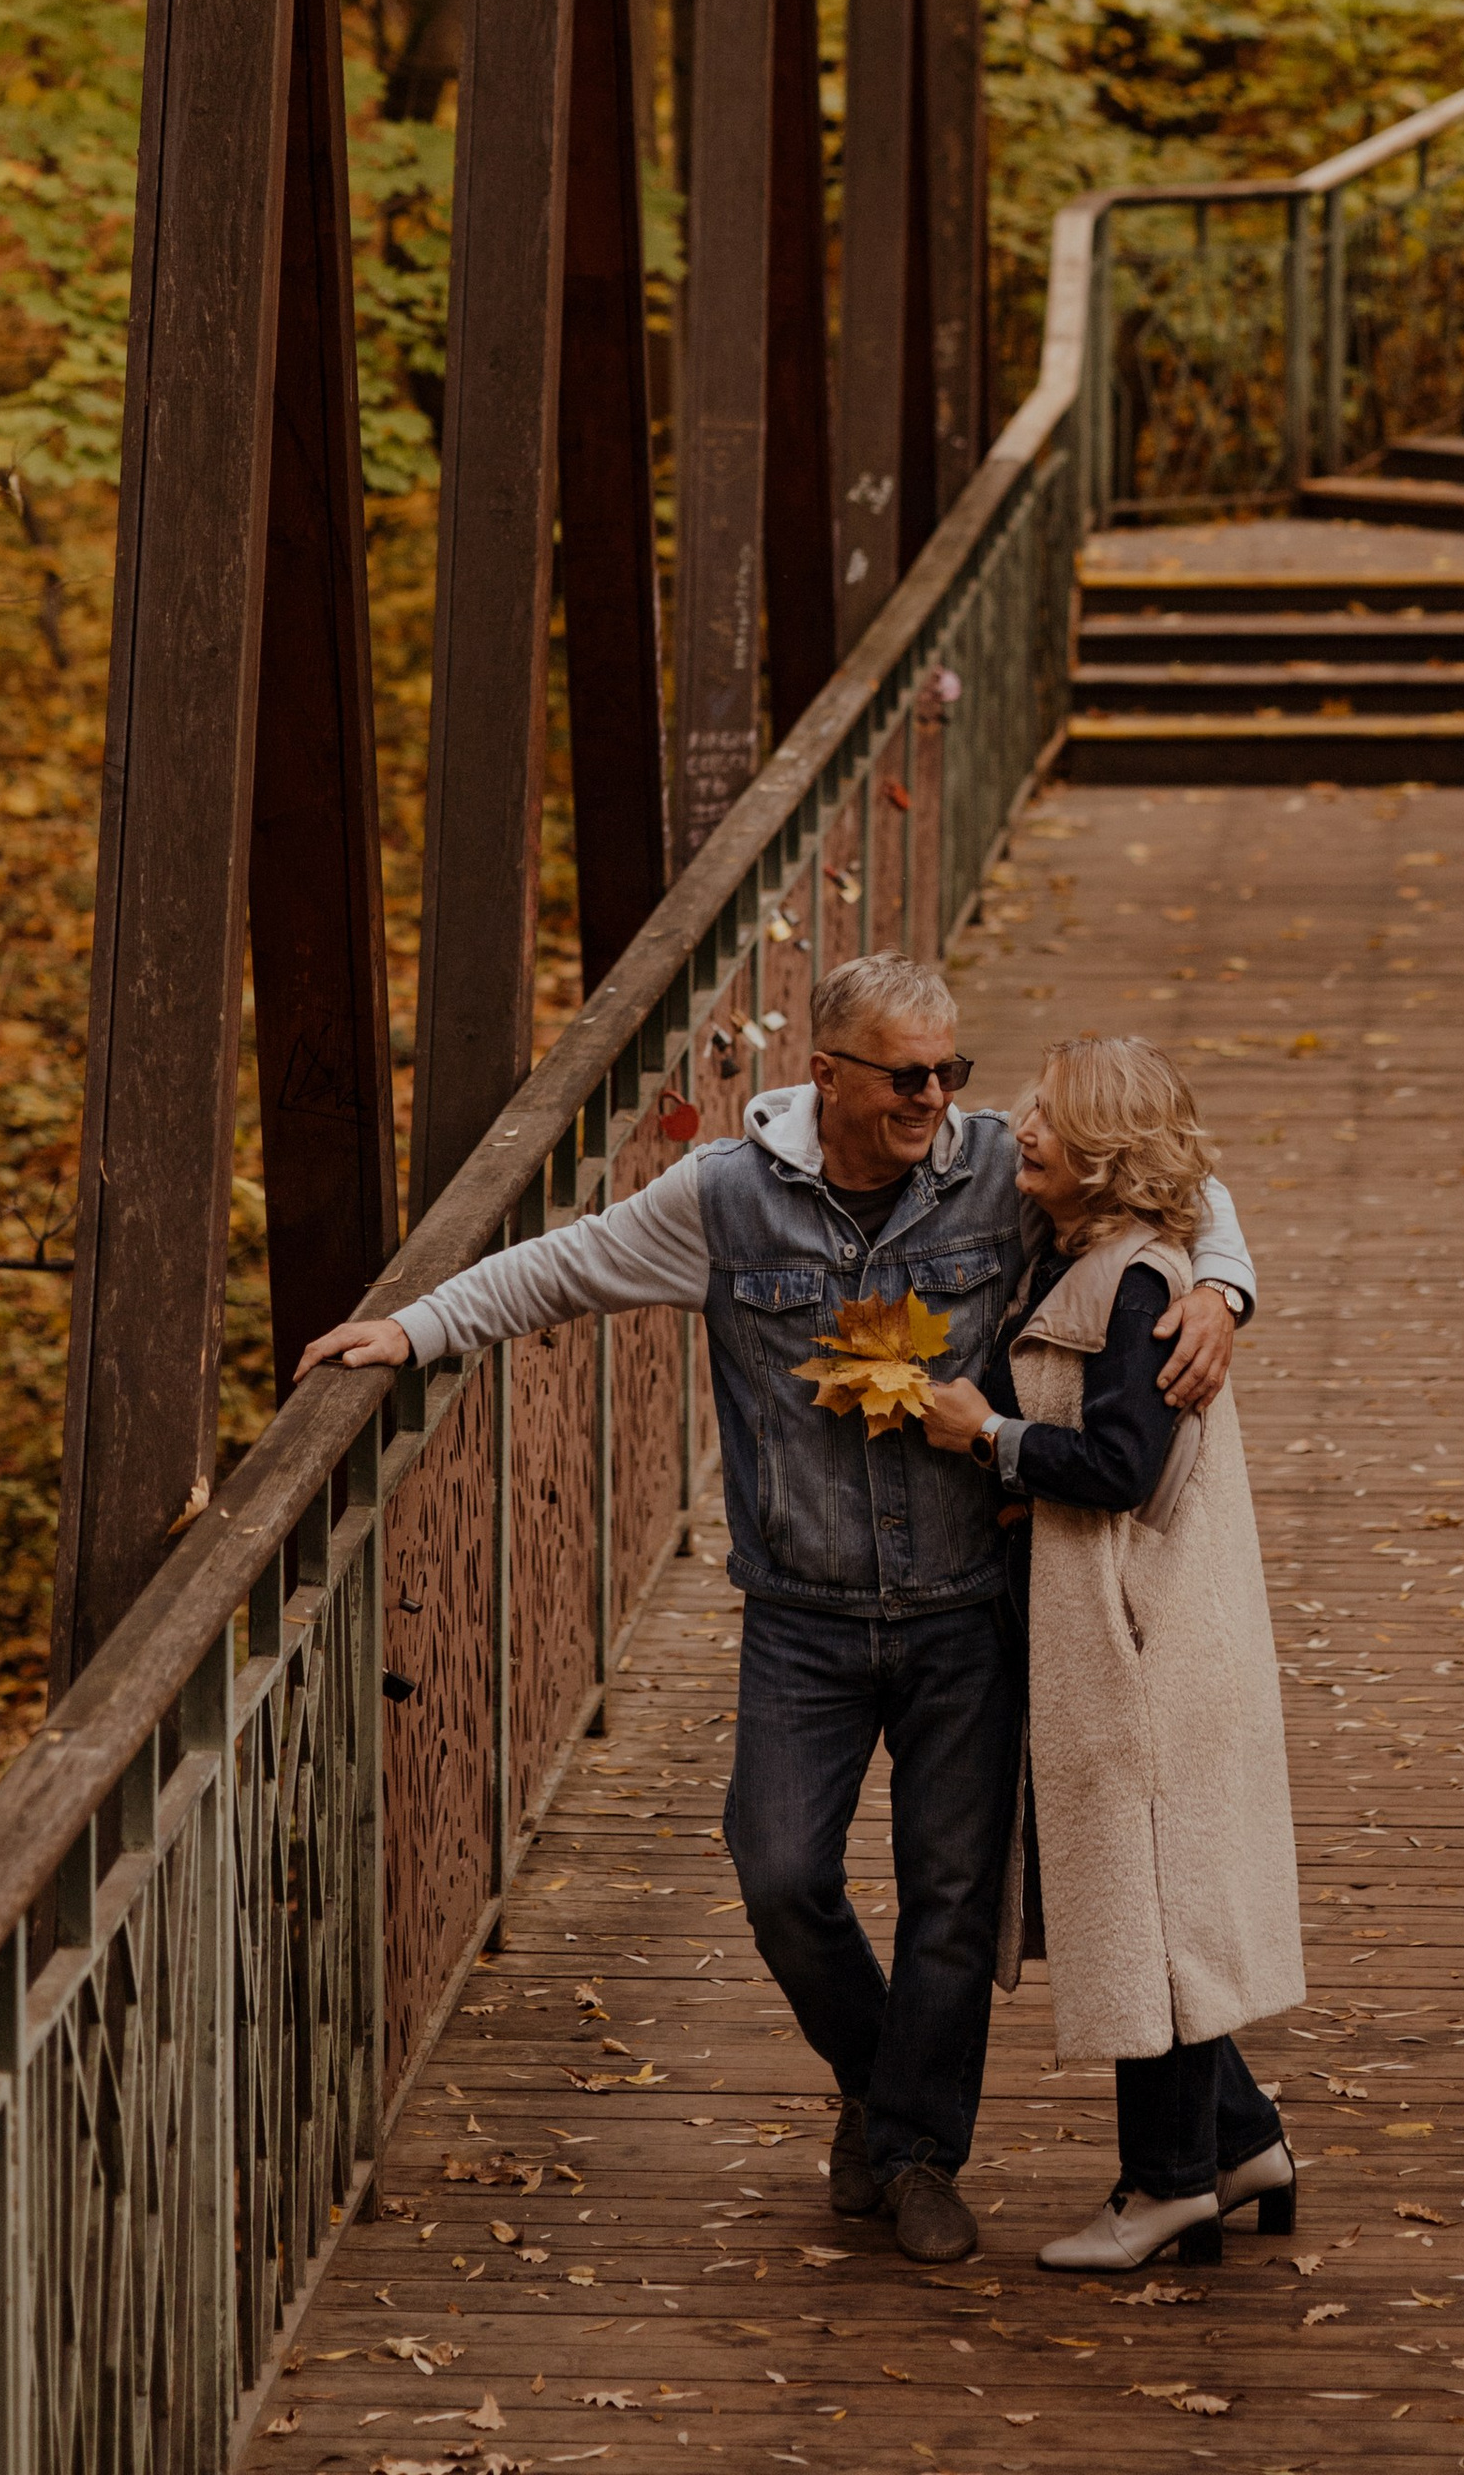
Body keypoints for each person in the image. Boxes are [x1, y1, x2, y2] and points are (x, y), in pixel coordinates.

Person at [296, 952, 1256, 2268]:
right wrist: (412, 1330)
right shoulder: (726, 1199)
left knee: (954, 1895)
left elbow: (1169, 1179)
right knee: (783, 1873)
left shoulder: (998, 1170)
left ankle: (919, 2155)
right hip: (802, 1614)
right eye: (908, 1074)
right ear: (830, 1074)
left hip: (965, 1603)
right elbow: (564, 1265)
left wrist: (1222, 1286)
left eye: (951, 1070)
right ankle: (880, 2079)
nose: (938, 1097)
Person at [920, 1034, 1304, 2272]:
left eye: (1045, 1114)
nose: (1014, 1126)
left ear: (1100, 1157)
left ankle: (1169, 2184)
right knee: (1157, 1898)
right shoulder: (1099, 1256)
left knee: (1147, 1910)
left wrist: (990, 1441)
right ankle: (1240, 2137)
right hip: (1128, 1627)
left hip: (1143, 1639)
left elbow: (1126, 1468)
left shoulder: (1133, 1286)